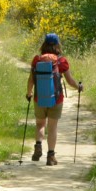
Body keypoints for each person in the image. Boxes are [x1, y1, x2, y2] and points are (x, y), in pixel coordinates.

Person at [27, 32, 82, 165]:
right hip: (56, 99)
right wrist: (79, 87)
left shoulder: (37, 59)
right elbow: (70, 81)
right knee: (52, 128)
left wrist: (29, 93)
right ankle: (50, 157)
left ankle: (38, 145)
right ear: (57, 44)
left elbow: (31, 80)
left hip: (39, 98)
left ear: (44, 44)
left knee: (40, 124)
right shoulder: (61, 61)